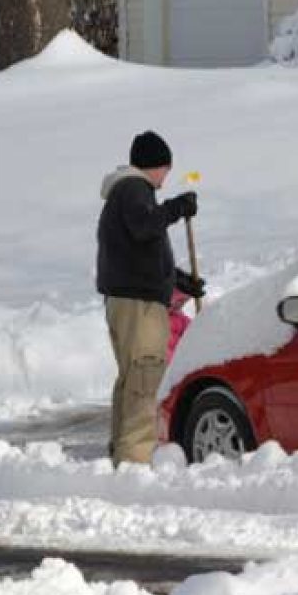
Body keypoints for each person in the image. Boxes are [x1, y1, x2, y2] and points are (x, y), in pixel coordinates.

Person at [96, 131, 205, 465]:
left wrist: (178, 280)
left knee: (133, 379)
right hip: (139, 306)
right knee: (145, 379)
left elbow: (139, 249)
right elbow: (145, 227)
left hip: (128, 300)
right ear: (155, 165)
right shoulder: (133, 189)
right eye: (166, 169)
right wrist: (176, 208)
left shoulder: (125, 193)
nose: (165, 178)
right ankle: (135, 461)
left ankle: (123, 453)